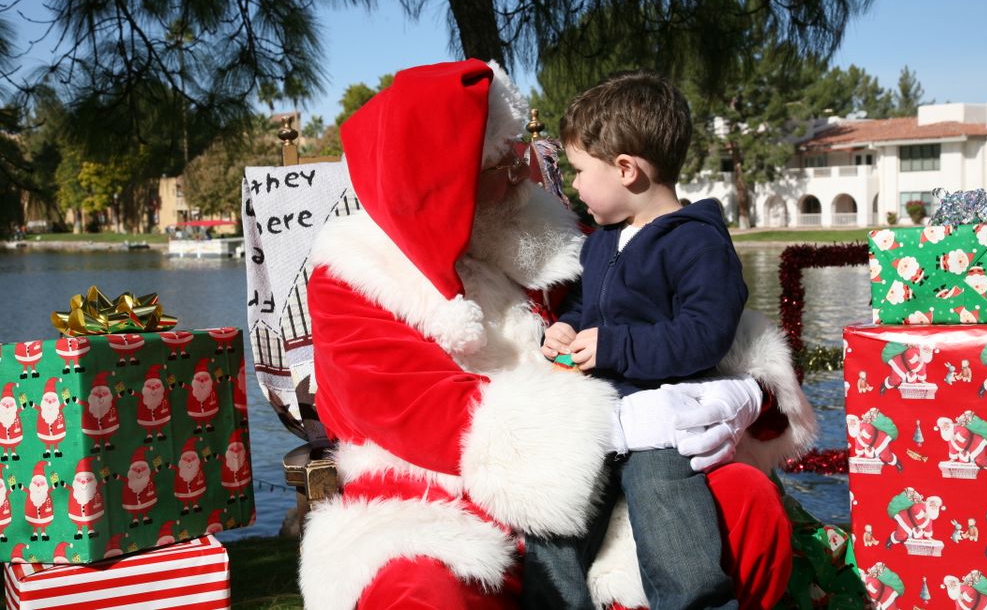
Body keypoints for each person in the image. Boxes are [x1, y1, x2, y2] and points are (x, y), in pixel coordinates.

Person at [299, 59, 817, 610]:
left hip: (615, 472)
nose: (527, 175)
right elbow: (413, 409)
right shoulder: (358, 277)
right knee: (421, 592)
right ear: (444, 182)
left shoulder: (563, 236)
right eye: (504, 166)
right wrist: (601, 417)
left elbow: (682, 313)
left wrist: (742, 389)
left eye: (520, 157)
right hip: (444, 498)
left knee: (745, 500)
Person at [525, 70, 751, 610]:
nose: (573, 186)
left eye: (579, 171)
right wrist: (568, 325)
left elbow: (704, 335)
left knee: (673, 528)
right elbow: (587, 306)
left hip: (662, 418)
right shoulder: (602, 242)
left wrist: (615, 347)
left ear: (626, 170)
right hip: (596, 412)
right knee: (555, 521)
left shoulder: (697, 244)